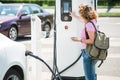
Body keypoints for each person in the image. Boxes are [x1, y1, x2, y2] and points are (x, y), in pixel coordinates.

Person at [70, 3, 98, 80]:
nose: (81, 16)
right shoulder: (92, 21)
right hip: (91, 52)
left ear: (84, 15)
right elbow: (82, 20)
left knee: (89, 77)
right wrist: (74, 16)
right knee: (92, 75)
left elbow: (92, 40)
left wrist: (78, 40)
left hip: (88, 53)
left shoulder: (89, 24)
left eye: (81, 14)